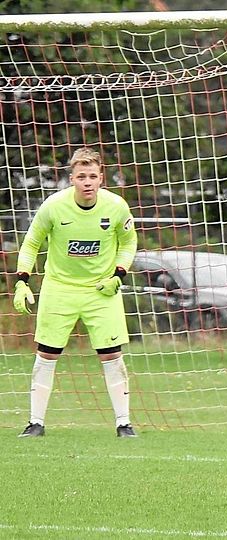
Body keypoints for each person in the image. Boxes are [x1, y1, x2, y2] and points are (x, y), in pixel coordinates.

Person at [12, 147, 138, 438]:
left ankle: (124, 423)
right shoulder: (54, 206)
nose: (87, 182)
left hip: (100, 292)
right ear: (72, 179)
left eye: (93, 176)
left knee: (111, 355)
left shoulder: (117, 206)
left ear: (101, 178)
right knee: (47, 354)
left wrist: (118, 274)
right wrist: (22, 281)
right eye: (81, 176)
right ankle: (35, 423)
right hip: (60, 289)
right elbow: (31, 243)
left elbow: (129, 242)